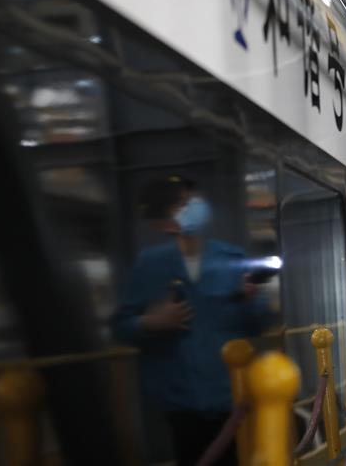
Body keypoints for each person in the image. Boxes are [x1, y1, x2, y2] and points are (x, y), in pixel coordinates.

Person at [113, 176, 270, 466]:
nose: (192, 207)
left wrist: (251, 300)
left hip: (232, 399)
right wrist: (150, 322)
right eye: (180, 204)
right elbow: (120, 327)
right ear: (162, 223)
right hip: (179, 403)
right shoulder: (150, 265)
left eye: (191, 200)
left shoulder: (231, 257)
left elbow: (258, 323)